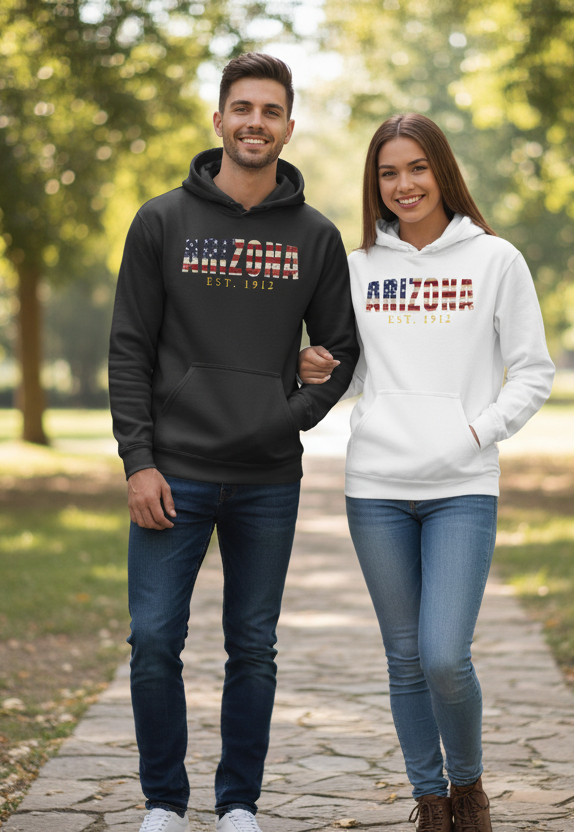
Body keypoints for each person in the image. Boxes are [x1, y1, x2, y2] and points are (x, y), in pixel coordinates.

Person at [109, 53, 359, 832]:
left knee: (253, 646)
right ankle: (163, 801)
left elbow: (341, 351)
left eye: (271, 111)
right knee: (155, 640)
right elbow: (129, 349)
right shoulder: (160, 222)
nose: (256, 122)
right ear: (219, 119)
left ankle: (239, 803)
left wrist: (289, 415)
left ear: (289, 126)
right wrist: (139, 462)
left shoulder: (316, 237)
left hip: (268, 480)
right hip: (173, 474)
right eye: (243, 108)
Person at [298, 113, 555, 832]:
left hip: (462, 487)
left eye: (417, 167)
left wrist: (476, 432)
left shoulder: (496, 260)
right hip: (376, 488)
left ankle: (468, 787)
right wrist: (312, 365)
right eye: (388, 172)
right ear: (374, 184)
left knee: (444, 655)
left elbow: (533, 372)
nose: (403, 184)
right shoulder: (357, 268)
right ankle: (432, 803)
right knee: (405, 659)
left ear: (442, 171)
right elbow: (350, 372)